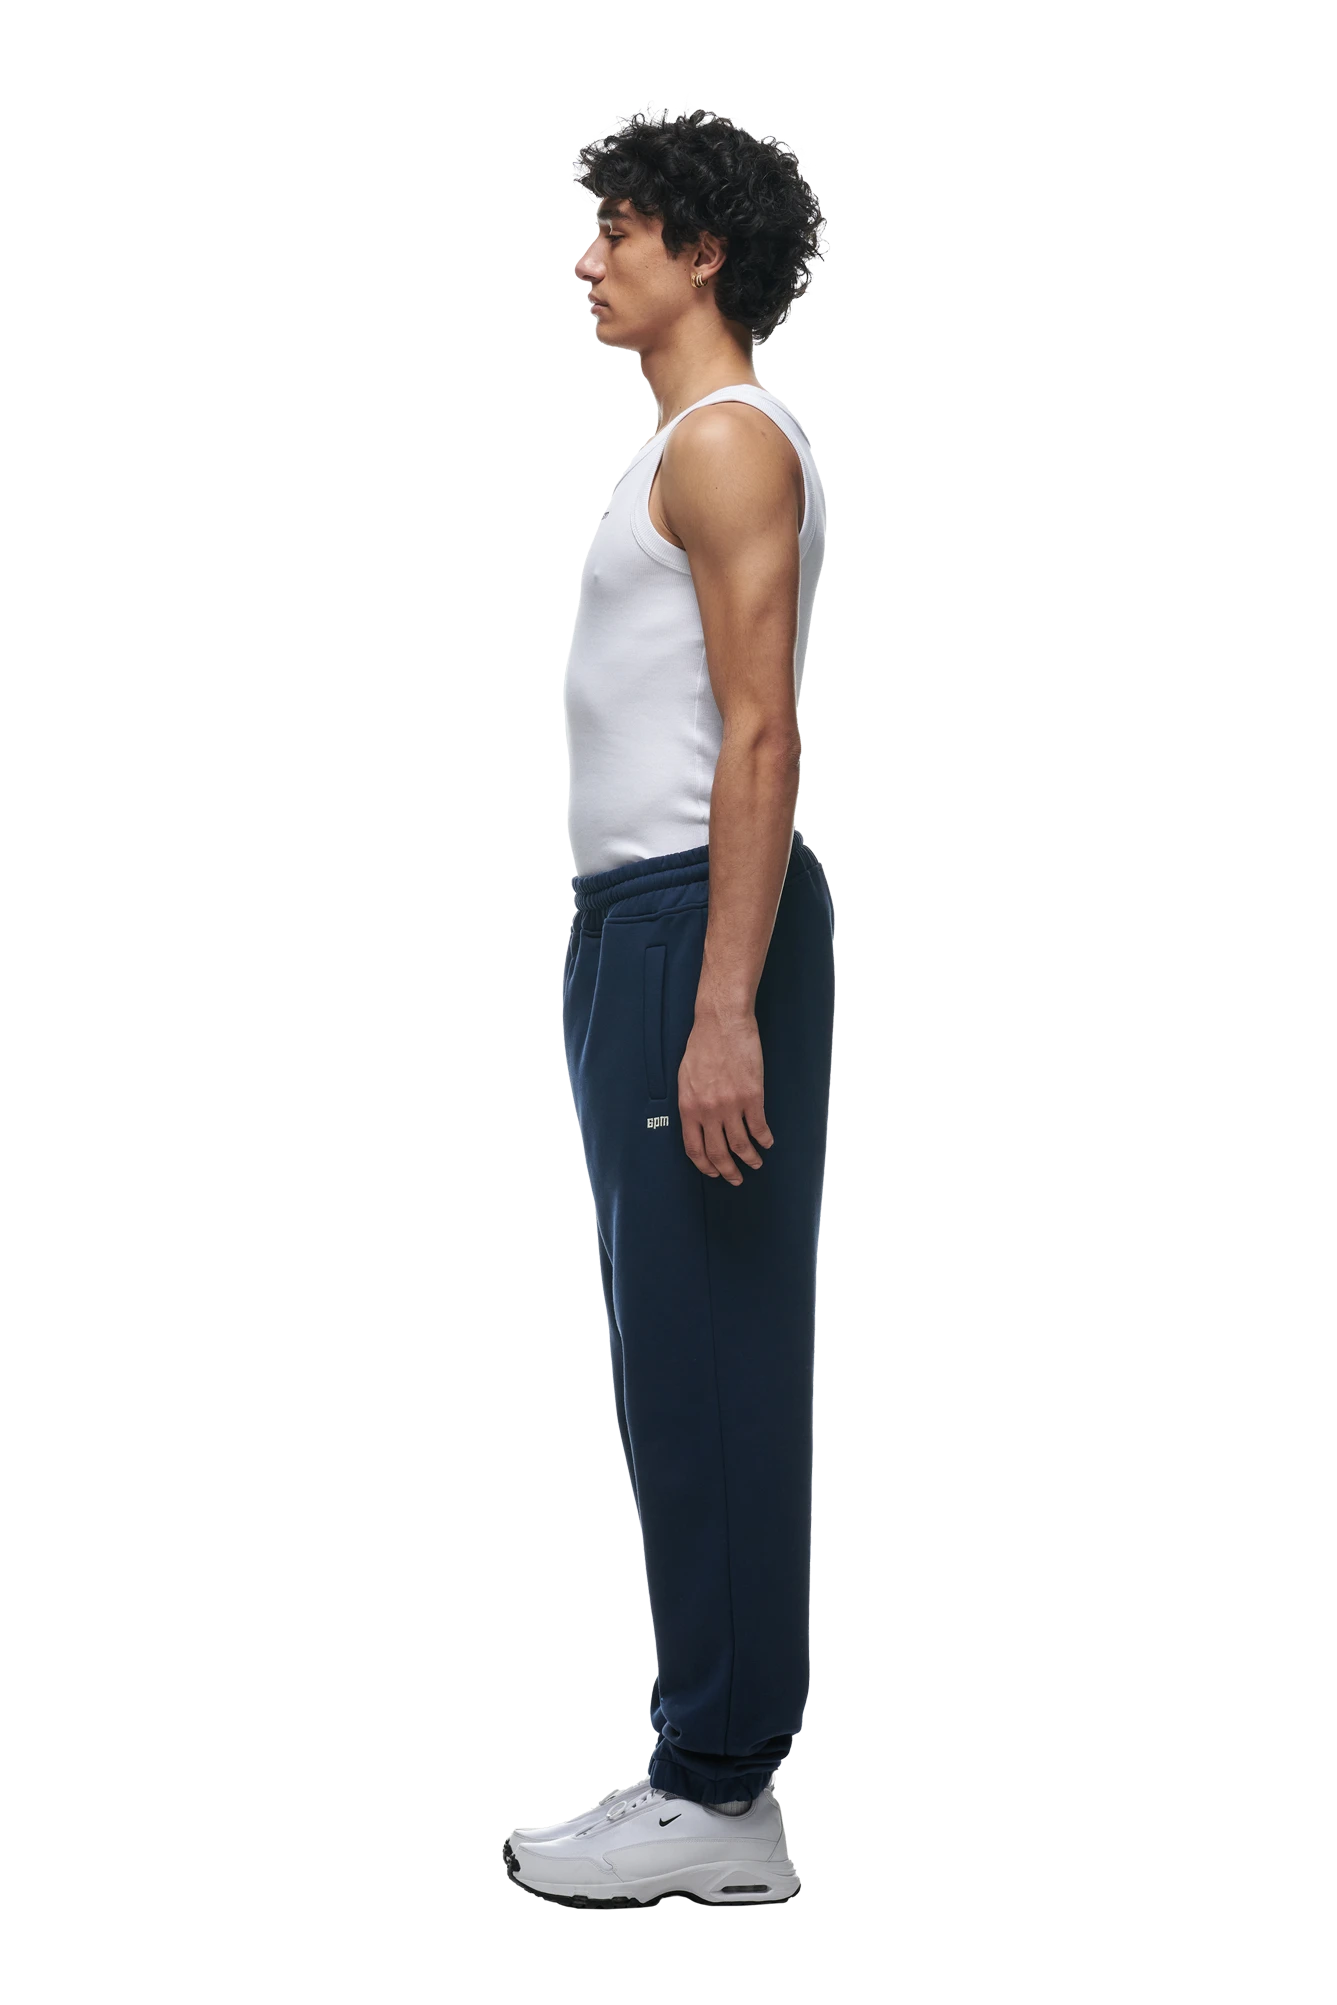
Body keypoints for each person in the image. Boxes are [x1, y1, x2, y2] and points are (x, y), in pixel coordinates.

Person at [510, 107, 832, 1911]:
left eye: (617, 230)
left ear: (701, 252)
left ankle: (718, 1787)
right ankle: (715, 1773)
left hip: (697, 925)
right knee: (673, 1352)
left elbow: (761, 732)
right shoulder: (683, 447)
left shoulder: (726, 445)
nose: (590, 259)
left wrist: (721, 1007)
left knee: (709, 1353)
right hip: (641, 924)